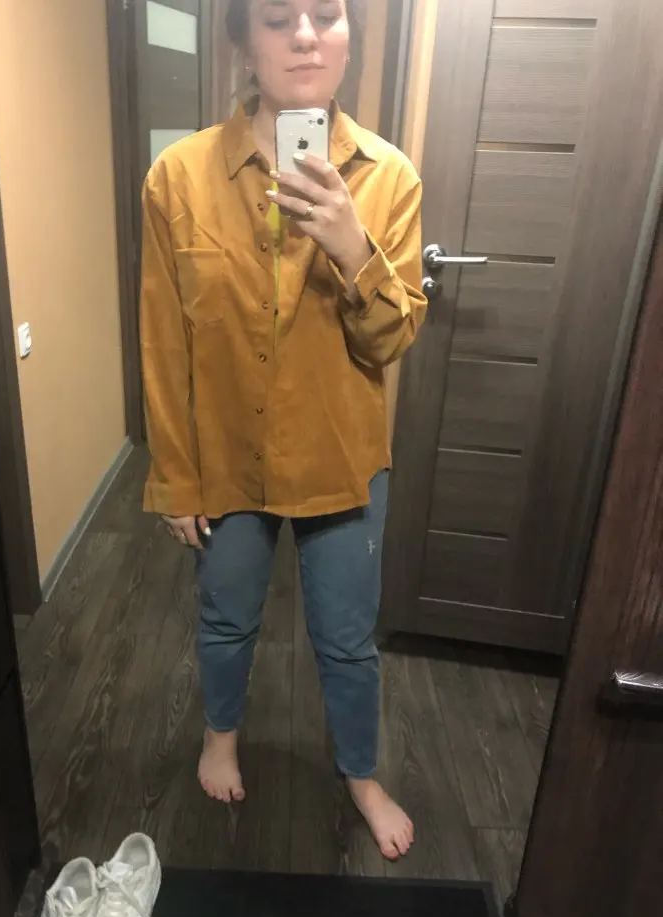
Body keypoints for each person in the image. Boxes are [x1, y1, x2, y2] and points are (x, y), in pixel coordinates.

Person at [140, 0, 427, 860]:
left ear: (348, 37)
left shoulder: (389, 178)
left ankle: (361, 774)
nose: (305, 34)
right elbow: (163, 341)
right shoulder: (178, 178)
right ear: (242, 41)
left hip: (341, 456)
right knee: (226, 615)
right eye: (277, 17)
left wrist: (352, 248)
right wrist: (175, 478)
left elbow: (391, 340)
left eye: (327, 14)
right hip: (228, 454)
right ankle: (220, 737)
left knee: (347, 639)